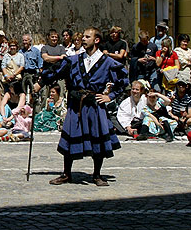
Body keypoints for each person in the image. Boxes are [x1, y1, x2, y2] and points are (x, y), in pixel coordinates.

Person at [34, 27, 128, 187]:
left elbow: (123, 79)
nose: (83, 39)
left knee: (97, 140)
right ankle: (66, 174)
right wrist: (39, 84)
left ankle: (97, 175)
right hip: (75, 105)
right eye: (83, 36)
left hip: (95, 105)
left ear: (96, 40)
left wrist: (109, 96)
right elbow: (55, 71)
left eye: (87, 36)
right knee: (69, 138)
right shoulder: (74, 60)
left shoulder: (107, 62)